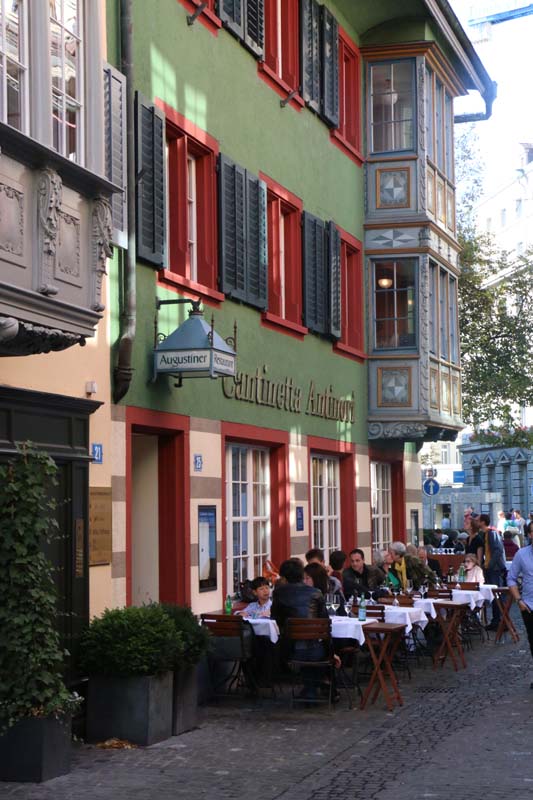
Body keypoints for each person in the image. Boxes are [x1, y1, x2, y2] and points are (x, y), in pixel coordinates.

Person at [271, 558, 329, 701]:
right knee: (321, 646)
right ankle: (313, 689)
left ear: (284, 577)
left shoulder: (279, 593)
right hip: (316, 650)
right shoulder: (316, 593)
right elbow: (325, 621)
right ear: (302, 575)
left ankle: (309, 689)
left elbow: (275, 618)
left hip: (291, 649)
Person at [507, 542, 533, 688]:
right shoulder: (522, 554)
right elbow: (511, 578)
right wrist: (518, 600)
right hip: (529, 605)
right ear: (530, 534)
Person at [478, 513, 506, 631]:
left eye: (478, 520)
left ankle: (499, 621)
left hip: (493, 569)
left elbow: (498, 550)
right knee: (495, 594)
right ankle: (497, 620)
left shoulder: (491, 533)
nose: (477, 522)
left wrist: (489, 565)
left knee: (496, 594)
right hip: (491, 568)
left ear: (483, 522)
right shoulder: (487, 534)